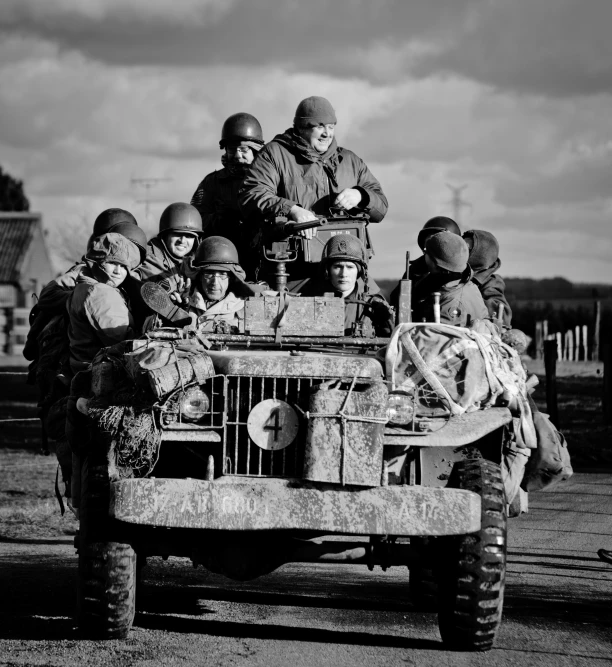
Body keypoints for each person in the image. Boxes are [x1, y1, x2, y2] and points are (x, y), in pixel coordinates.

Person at [239, 96, 388, 283]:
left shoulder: (350, 161)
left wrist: (361, 195)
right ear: (301, 128)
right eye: (320, 126)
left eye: (331, 127)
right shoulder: (275, 155)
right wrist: (292, 210)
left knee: (378, 308)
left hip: (345, 273)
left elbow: (381, 206)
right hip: (291, 272)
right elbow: (251, 194)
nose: (327, 133)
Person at [190, 113, 265, 278]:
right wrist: (221, 220)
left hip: (262, 260)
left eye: (244, 150)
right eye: (232, 149)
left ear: (255, 151)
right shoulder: (211, 183)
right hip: (222, 262)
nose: (238, 155)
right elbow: (193, 221)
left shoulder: (269, 181)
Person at [142, 236, 253, 333]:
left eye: (222, 275)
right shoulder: (182, 301)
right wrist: (170, 313)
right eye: (209, 274)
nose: (215, 282)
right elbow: (147, 333)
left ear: (231, 278)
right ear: (199, 275)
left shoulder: (245, 308)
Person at [66, 233, 142, 373]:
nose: (118, 271)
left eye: (124, 266)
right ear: (97, 261)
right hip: (99, 372)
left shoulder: (84, 286)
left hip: (83, 367)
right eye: (112, 263)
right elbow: (122, 342)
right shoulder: (100, 293)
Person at [300, 235, 394, 337]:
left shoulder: (374, 304)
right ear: (328, 271)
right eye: (337, 267)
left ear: (359, 272)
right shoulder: (308, 299)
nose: (343, 274)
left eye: (350, 267)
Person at [412, 231, 489, 327]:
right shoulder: (466, 285)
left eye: (426, 252)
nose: (424, 256)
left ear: (436, 263)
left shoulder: (453, 304)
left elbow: (438, 339)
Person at [390, 216, 461, 309]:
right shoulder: (415, 270)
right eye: (428, 241)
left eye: (437, 241)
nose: (430, 246)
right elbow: (395, 300)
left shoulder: (461, 271)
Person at [138, 202, 203, 294]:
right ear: (165, 235)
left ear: (196, 240)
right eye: (177, 234)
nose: (182, 241)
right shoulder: (150, 260)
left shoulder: (194, 263)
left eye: (189, 236)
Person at [463, 229, 512, 327]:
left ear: (480, 256)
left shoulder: (491, 282)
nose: (460, 250)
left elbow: (503, 316)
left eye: (466, 248)